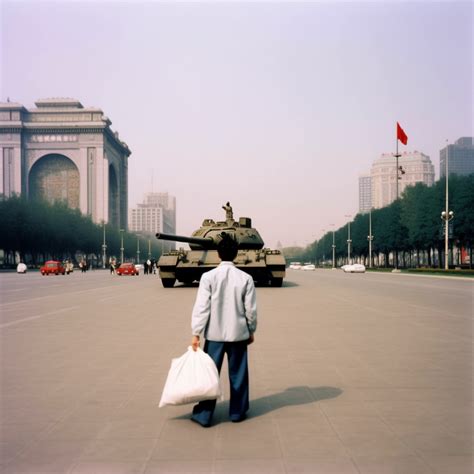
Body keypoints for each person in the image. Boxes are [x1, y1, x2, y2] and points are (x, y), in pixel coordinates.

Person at [190, 232, 257, 427]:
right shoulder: (246, 278)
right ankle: (237, 412)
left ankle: (204, 414)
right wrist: (251, 330)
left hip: (214, 335)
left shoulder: (208, 277)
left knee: (210, 374)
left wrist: (196, 333)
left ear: (218, 254)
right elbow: (250, 310)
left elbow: (202, 307)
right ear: (236, 254)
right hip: (238, 334)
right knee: (239, 374)